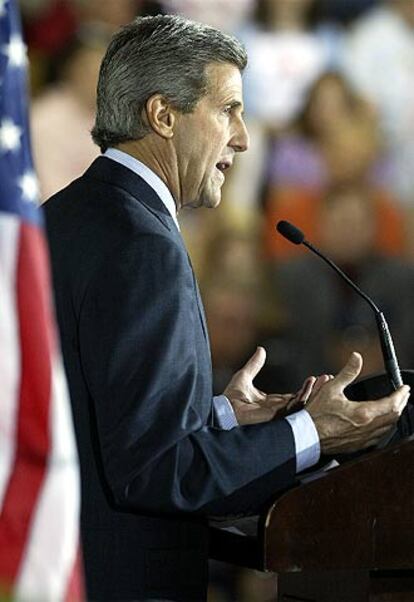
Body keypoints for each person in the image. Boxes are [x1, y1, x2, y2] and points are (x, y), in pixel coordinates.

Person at [44, 15, 410, 601]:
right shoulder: (143, 245)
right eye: (228, 110)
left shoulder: (63, 217)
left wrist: (217, 419)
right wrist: (312, 431)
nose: (243, 137)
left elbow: (104, 422)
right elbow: (158, 471)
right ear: (163, 115)